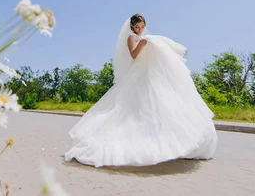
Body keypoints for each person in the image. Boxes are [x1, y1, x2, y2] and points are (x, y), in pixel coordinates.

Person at [64, 14, 218, 167]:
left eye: (142, 26)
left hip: (147, 74)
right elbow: (133, 55)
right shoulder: (131, 38)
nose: (139, 29)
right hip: (138, 73)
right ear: (132, 27)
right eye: (137, 27)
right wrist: (142, 44)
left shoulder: (146, 37)